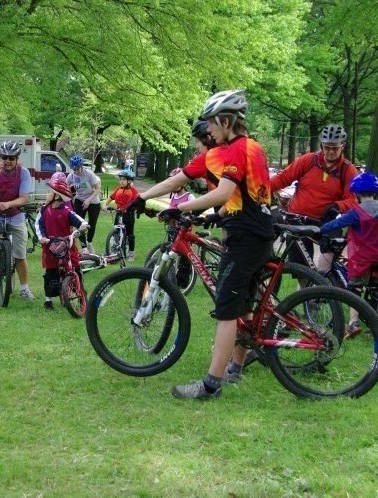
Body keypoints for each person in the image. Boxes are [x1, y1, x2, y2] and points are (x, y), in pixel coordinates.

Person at [131, 89, 274, 399]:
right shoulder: (254, 148)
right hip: (260, 231)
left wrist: (179, 208)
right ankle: (235, 368)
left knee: (226, 311)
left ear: (225, 121)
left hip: (244, 237)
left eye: (210, 123)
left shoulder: (235, 150)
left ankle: (211, 385)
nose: (207, 130)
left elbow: (224, 192)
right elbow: (243, 195)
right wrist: (143, 197)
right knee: (244, 306)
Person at [269, 124, 359, 272]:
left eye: (335, 148)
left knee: (327, 259)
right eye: (326, 147)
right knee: (301, 269)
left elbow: (353, 199)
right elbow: (284, 178)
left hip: (326, 220)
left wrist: (338, 206)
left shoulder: (348, 170)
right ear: (321, 145)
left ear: (342, 146)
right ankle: (305, 293)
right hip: (298, 218)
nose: (330, 151)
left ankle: (324, 286)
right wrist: (260, 188)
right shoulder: (309, 160)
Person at [319, 172, 378, 337]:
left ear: (357, 194)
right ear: (375, 191)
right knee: (377, 289)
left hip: (364, 260)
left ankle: (353, 323)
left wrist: (320, 229)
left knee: (355, 289)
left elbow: (337, 223)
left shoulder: (356, 212)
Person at [0, 140, 36, 302]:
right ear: (0, 157)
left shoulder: (23, 172)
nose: (8, 161)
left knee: (20, 254)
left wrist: (8, 204)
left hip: (15, 215)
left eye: (12, 158)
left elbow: (24, 198)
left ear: (17, 158)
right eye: (4, 157)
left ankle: (25, 288)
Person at [36, 175, 88, 310]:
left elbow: (79, 220)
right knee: (50, 273)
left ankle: (79, 291)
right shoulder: (44, 210)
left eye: (49, 192)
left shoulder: (66, 211)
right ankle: (48, 299)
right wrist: (42, 237)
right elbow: (38, 225)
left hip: (67, 245)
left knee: (75, 267)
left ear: (57, 196)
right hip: (50, 246)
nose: (46, 194)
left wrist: (83, 225)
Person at [66, 154, 101, 253]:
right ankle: (84, 247)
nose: (76, 171)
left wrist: (89, 200)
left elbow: (98, 188)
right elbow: (65, 186)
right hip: (79, 199)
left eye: (77, 169)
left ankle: (89, 243)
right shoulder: (71, 176)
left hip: (93, 200)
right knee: (79, 223)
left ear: (81, 166)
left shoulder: (89, 174)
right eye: (74, 169)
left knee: (92, 224)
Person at [103, 169, 139, 261]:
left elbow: (138, 201)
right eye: (120, 179)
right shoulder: (118, 189)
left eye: (123, 179)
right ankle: (116, 251)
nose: (121, 181)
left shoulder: (133, 191)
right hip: (119, 213)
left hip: (129, 215)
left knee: (130, 234)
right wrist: (105, 205)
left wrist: (135, 208)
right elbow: (111, 197)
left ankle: (131, 253)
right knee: (116, 232)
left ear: (129, 181)